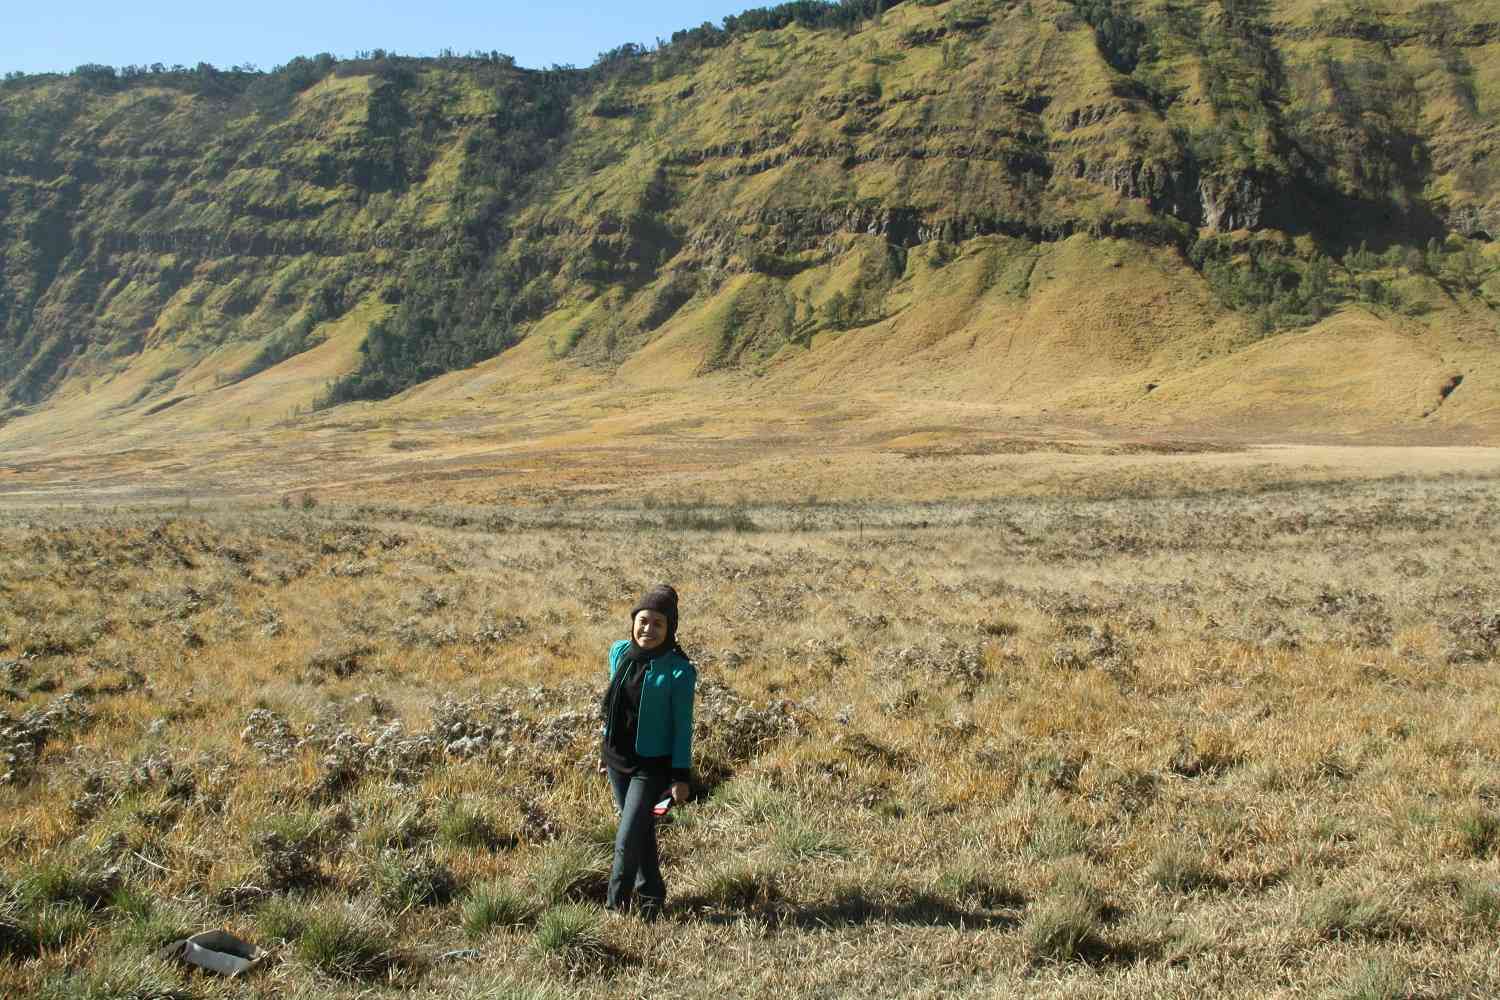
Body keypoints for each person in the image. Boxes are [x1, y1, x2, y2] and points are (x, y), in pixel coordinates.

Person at [600, 584, 696, 918]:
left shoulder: (680, 671)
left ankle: (615, 909)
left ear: (670, 628)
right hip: (617, 760)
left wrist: (681, 777)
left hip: (650, 767)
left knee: (627, 837)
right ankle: (652, 897)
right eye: (643, 621)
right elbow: (615, 703)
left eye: (658, 623)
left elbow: (682, 727)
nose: (648, 629)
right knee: (641, 831)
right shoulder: (618, 653)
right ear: (633, 622)